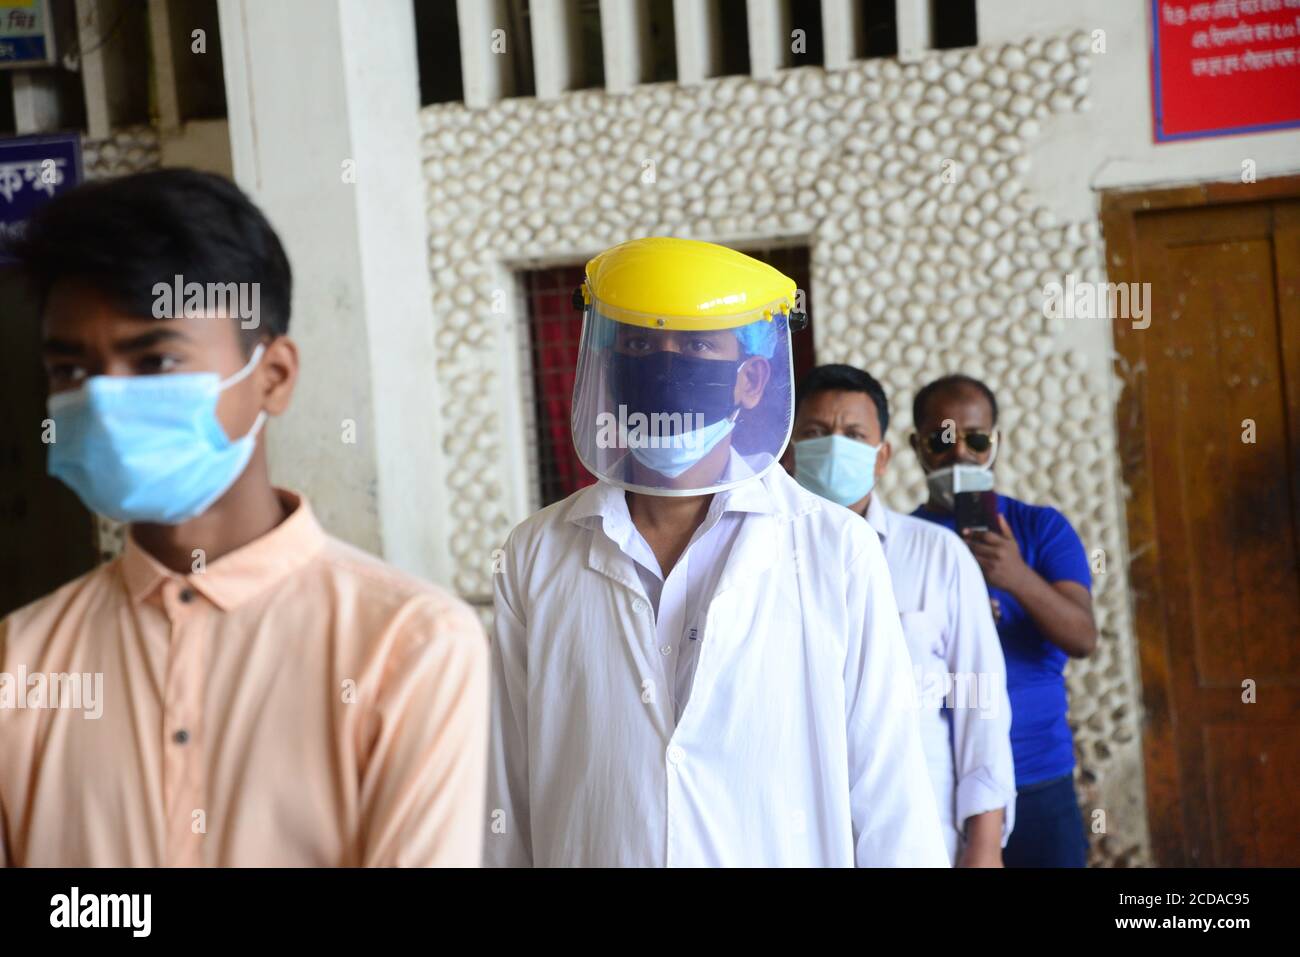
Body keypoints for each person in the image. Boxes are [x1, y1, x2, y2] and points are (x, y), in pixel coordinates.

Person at [0, 169, 488, 867]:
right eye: (72, 372)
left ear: (274, 376)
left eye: (155, 359)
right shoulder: (18, 662)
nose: (106, 403)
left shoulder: (408, 648)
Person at [486, 237, 947, 867]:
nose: (665, 367)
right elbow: (507, 788)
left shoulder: (835, 549)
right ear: (610, 368)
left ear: (752, 379)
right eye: (641, 345)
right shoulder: (535, 554)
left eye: (698, 345)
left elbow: (890, 792)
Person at [787, 364, 1015, 866]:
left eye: (853, 435)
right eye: (816, 433)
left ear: (883, 455)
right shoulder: (757, 558)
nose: (835, 446)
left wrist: (983, 846)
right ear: (789, 449)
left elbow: (982, 707)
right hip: (794, 835)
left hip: (920, 834)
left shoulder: (938, 554)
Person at [909, 373, 1097, 868]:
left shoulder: (1040, 528)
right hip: (946, 781)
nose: (960, 456)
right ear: (917, 447)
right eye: (941, 441)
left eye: (976, 439)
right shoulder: (903, 543)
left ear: (996, 443)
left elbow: (1082, 637)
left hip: (1039, 774)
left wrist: (1016, 576)